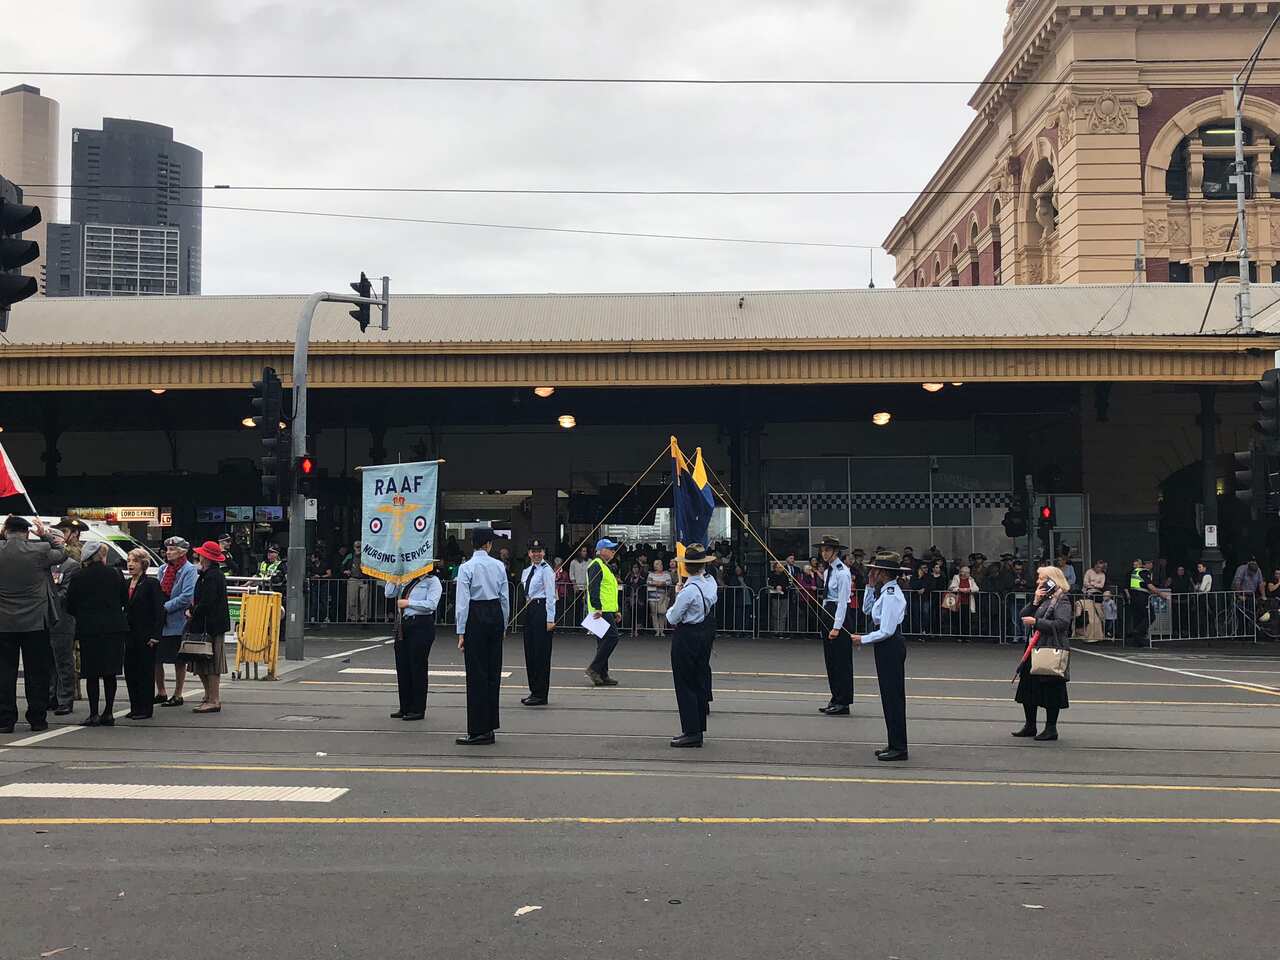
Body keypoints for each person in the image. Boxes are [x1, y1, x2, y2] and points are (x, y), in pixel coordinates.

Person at [0, 516, 65, 733]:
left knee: (4, 673)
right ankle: (37, 718)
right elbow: (62, 552)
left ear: (6, 531)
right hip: (36, 621)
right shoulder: (40, 550)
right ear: (27, 533)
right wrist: (44, 534)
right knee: (37, 672)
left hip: (4, 622)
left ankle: (5, 719)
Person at [851, 551, 909, 762]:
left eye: (875, 570)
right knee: (888, 696)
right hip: (885, 645)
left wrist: (863, 639)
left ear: (883, 572)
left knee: (893, 697)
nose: (872, 572)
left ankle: (899, 747)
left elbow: (887, 630)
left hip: (890, 645)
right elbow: (868, 610)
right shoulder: (884, 591)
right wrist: (869, 586)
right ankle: (894, 742)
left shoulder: (891, 594)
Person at [455, 528, 510, 746]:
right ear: (488, 544)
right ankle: (490, 726)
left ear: (473, 544)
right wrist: (504, 624)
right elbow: (505, 598)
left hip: (475, 615)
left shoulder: (466, 567)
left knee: (476, 673)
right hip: (495, 612)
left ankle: (478, 729)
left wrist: (461, 631)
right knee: (493, 672)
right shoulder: (498, 566)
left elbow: (462, 602)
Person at [66, 541, 129, 727]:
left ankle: (93, 714)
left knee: (91, 673)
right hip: (114, 628)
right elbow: (124, 600)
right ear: (101, 556)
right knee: (110, 672)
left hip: (89, 629)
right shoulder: (115, 573)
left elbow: (70, 604)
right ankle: (108, 712)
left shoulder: (78, 576)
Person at [1013, 565, 1073, 742]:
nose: (1038, 581)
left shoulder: (1061, 599)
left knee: (1050, 687)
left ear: (1052, 581)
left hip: (1050, 647)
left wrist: (1037, 622)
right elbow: (1023, 614)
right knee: (1028, 685)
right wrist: (1035, 601)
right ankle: (1030, 724)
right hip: (1034, 647)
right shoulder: (1043, 598)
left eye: (1041, 578)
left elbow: (1062, 623)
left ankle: (1051, 728)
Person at [666, 544, 718, 748]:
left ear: (686, 567)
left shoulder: (688, 591)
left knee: (685, 683)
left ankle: (692, 731)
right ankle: (698, 727)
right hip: (705, 630)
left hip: (687, 634)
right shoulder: (710, 583)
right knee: (698, 678)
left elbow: (672, 617)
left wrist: (677, 594)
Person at [181, 541, 230, 714]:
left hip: (210, 626)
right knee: (202, 662)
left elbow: (207, 602)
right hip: (208, 624)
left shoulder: (211, 576)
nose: (198, 556)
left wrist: (192, 611)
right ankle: (209, 696)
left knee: (210, 664)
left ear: (206, 557)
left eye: (201, 554)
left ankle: (213, 699)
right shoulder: (209, 574)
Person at [387, 567, 441, 721]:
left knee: (417, 667)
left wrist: (409, 603)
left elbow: (431, 604)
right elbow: (389, 593)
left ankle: (417, 708)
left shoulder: (432, 581)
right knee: (402, 666)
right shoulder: (405, 579)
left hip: (421, 624)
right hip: (403, 625)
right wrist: (394, 576)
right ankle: (405, 706)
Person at [48, 516, 87, 716]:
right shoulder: (48, 561)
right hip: (46, 618)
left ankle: (66, 697)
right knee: (49, 660)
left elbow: (68, 591)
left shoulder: (75, 558)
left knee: (66, 660)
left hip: (64, 616)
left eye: (63, 532)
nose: (58, 538)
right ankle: (52, 696)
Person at [123, 547, 165, 720]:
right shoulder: (126, 583)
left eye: (135, 561)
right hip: (129, 635)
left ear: (143, 564)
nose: (130, 564)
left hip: (146, 635)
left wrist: (156, 635)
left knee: (145, 672)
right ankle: (135, 706)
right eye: (129, 561)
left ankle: (145, 708)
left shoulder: (151, 583)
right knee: (130, 671)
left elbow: (159, 611)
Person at [155, 536, 197, 706]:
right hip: (161, 621)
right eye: (168, 549)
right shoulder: (162, 569)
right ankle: (161, 691)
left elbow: (187, 596)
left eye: (172, 550)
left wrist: (165, 607)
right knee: (156, 658)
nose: (168, 552)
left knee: (179, 660)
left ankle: (178, 694)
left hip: (178, 621)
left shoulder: (189, 570)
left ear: (182, 552)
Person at [815, 535, 853, 716]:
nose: (824, 553)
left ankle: (843, 701)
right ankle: (835, 697)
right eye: (822, 550)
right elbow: (826, 596)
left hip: (839, 614)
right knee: (831, 660)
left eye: (828, 550)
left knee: (841, 661)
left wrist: (837, 626)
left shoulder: (842, 572)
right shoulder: (829, 570)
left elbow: (843, 602)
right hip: (828, 611)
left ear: (836, 551)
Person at [519, 539, 556, 706]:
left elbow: (551, 596)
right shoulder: (527, 571)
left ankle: (541, 693)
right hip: (530, 609)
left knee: (541, 653)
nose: (536, 554)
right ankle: (534, 690)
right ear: (529, 553)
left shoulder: (547, 570)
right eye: (533, 551)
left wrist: (550, 619)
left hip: (542, 609)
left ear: (544, 553)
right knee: (530, 652)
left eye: (539, 551)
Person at [584, 537, 623, 687]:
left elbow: (609, 590)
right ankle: (594, 669)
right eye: (610, 549)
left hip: (606, 609)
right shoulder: (596, 565)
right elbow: (593, 588)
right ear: (601, 550)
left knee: (603, 642)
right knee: (612, 638)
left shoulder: (604, 566)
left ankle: (602, 673)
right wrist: (598, 607)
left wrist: (616, 610)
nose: (613, 551)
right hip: (600, 610)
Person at [947, 564, 979, 641]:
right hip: (957, 602)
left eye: (968, 572)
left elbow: (976, 588)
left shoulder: (971, 579)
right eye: (965, 572)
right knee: (957, 619)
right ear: (961, 572)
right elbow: (951, 588)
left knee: (966, 620)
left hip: (967, 602)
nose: (967, 574)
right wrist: (960, 589)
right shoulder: (956, 577)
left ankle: (966, 636)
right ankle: (958, 636)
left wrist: (969, 590)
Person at [647, 558, 674, 637]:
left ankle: (662, 630)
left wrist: (660, 583)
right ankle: (657, 630)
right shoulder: (651, 574)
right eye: (658, 564)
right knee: (654, 613)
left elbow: (669, 582)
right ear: (655, 566)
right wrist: (659, 583)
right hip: (652, 597)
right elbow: (648, 581)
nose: (660, 565)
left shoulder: (666, 574)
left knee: (662, 613)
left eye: (661, 564)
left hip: (663, 597)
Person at [345, 541, 369, 623]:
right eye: (357, 547)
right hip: (353, 579)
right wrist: (345, 571)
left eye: (359, 546)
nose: (358, 548)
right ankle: (353, 617)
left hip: (363, 579)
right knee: (352, 600)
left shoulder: (366, 556)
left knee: (363, 600)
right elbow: (342, 564)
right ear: (354, 547)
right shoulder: (350, 555)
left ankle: (363, 618)